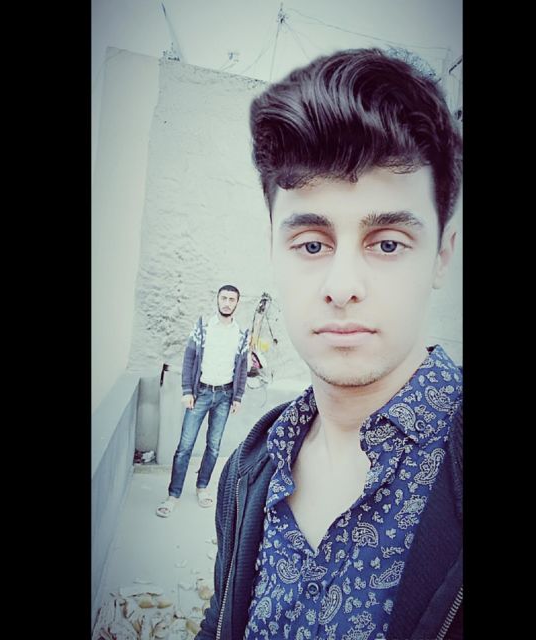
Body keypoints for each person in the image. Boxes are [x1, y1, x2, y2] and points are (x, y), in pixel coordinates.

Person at [197, 47, 463, 640]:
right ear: (274, 250)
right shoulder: (249, 470)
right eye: (312, 244)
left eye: (387, 243)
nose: (342, 287)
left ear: (442, 255)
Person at [156, 285, 249, 516]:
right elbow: (189, 359)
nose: (227, 303)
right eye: (224, 298)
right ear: (217, 300)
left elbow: (242, 367)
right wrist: (187, 390)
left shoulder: (241, 334)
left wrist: (238, 396)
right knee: (184, 447)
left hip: (225, 396)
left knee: (214, 447)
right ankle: (173, 495)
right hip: (201, 394)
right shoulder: (203, 328)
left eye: (232, 299)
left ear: (237, 303)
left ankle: (202, 487)